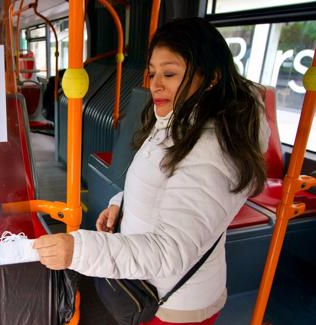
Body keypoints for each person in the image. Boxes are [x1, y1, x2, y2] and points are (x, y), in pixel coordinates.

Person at [33, 17, 270, 324]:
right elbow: (162, 179)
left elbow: (168, 251)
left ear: (210, 78)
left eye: (169, 73)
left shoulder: (211, 149)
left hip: (173, 303)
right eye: (153, 73)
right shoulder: (180, 119)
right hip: (154, 285)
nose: (155, 84)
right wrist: (122, 203)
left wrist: (77, 250)